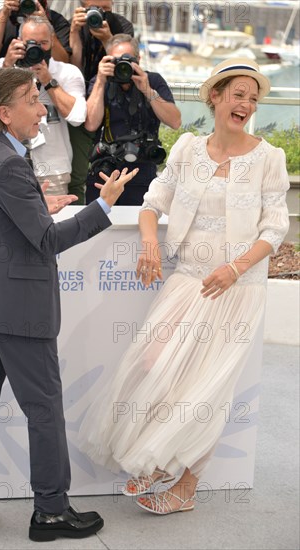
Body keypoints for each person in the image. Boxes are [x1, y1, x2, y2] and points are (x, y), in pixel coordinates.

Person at [79, 58, 290, 514]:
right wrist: (150, 246)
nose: (247, 105)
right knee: (154, 362)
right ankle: (157, 457)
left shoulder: (268, 158)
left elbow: (274, 230)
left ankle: (185, 487)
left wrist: (235, 269)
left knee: (207, 387)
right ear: (215, 96)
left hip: (235, 288)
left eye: (253, 99)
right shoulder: (188, 149)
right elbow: (153, 205)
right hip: (186, 280)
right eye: (238, 95)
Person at [0, 67, 138, 542]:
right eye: (33, 100)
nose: (42, 109)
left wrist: (38, 206)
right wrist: (104, 206)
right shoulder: (9, 162)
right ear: (4, 112)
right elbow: (48, 241)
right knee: (45, 410)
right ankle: (50, 511)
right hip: (17, 309)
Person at [85, 34, 181, 205]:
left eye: (128, 60)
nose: (123, 66)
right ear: (107, 61)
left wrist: (147, 90)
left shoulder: (152, 81)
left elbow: (175, 121)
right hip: (106, 170)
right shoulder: (101, 82)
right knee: (98, 226)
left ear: (139, 59)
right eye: (116, 61)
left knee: (138, 226)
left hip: (141, 170)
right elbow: (91, 123)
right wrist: (100, 80)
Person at [0, 16, 86, 196]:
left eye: (43, 43)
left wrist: (48, 80)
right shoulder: (5, 67)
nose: (37, 48)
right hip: (9, 166)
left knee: (53, 224)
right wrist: (7, 66)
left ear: (52, 41)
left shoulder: (67, 72)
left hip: (53, 170)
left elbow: (77, 118)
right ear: (19, 42)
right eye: (31, 43)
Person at [68, 0, 134, 205]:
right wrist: (74, 34)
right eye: (93, 10)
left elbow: (127, 67)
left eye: (105, 10)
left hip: (113, 105)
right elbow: (74, 69)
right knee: (77, 174)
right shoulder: (77, 25)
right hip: (83, 105)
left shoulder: (122, 26)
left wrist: (108, 40)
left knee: (113, 169)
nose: (99, 15)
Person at [0, 0, 70, 63]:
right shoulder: (6, 17)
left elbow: (63, 61)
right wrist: (4, 12)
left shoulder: (57, 21)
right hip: (11, 77)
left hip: (45, 75)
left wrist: (47, 26)